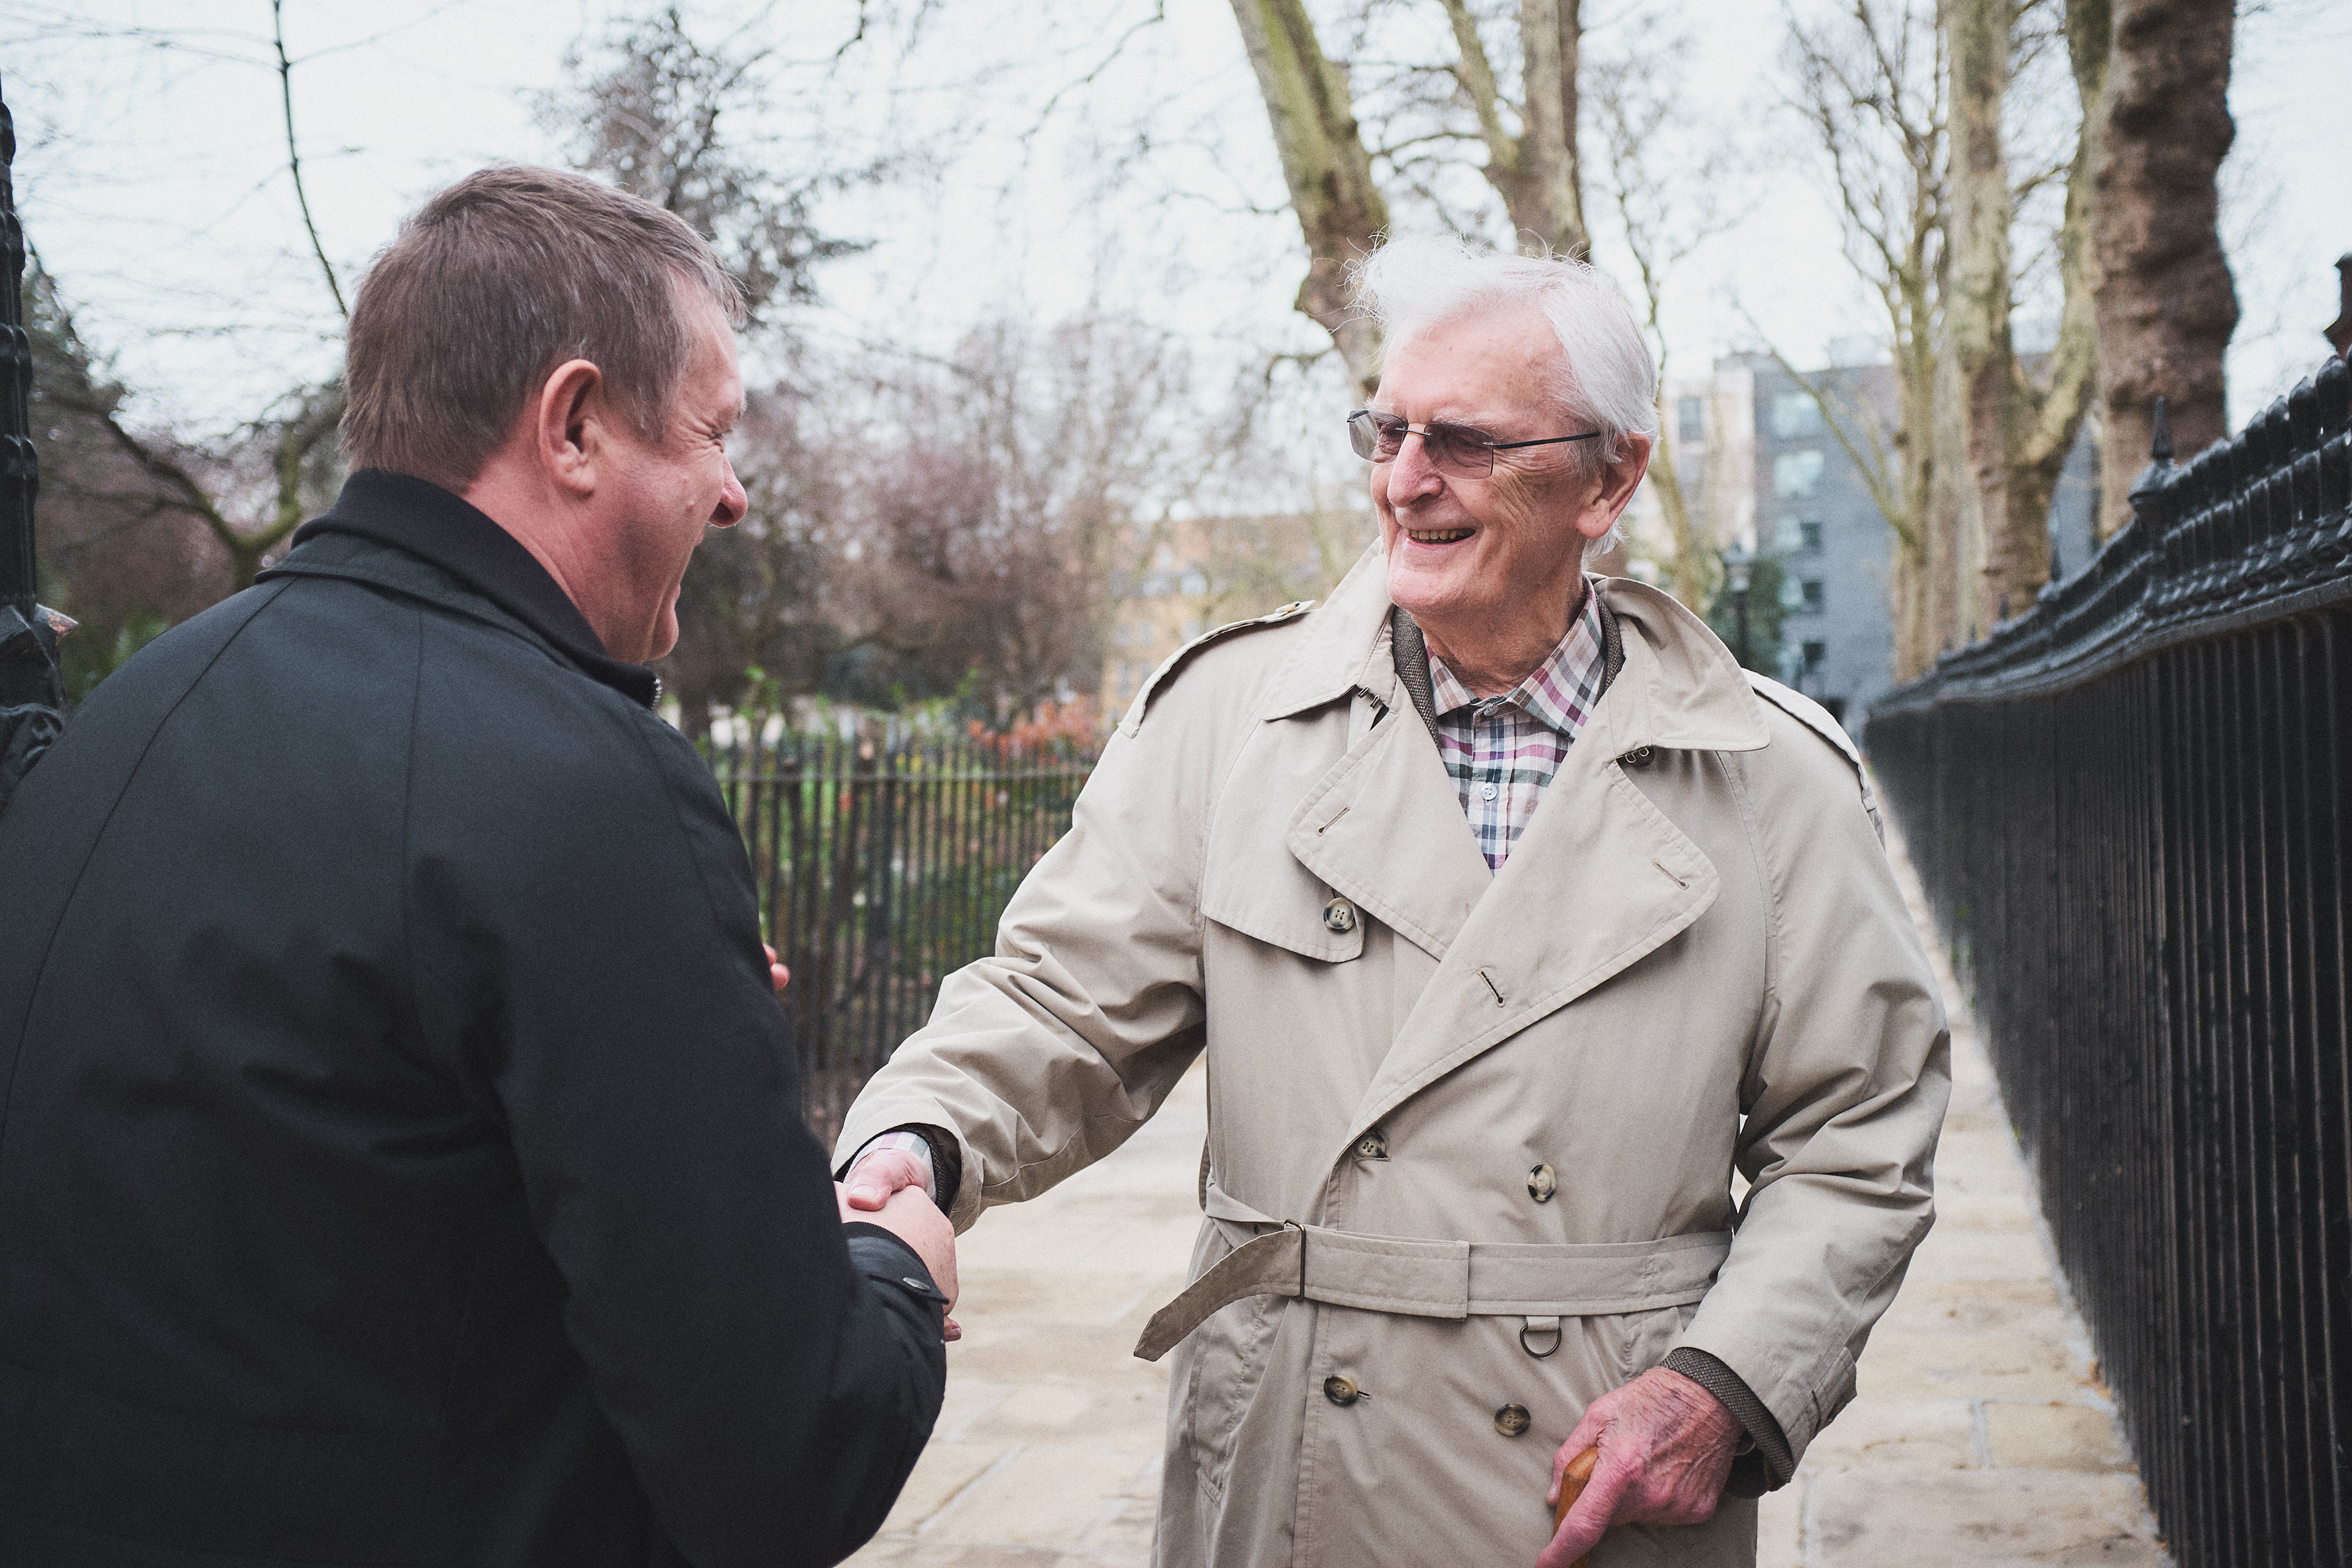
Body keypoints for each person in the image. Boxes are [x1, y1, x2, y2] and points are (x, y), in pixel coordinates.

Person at [834, 236, 1949, 1567]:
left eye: (1465, 441)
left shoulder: (1769, 776)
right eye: (1386, 430)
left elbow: (1857, 1136)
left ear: (1611, 476)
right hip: (1292, 1455)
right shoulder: (1224, 719)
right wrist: (923, 1132)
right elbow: (1061, 1002)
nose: (1405, 480)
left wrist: (1722, 1386)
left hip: (1592, 1475)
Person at [0, 166, 955, 1567]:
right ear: (572, 424)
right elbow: (789, 1455)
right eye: (710, 431)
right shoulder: (585, 791)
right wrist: (892, 1263)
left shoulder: (137, 713)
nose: (734, 493)